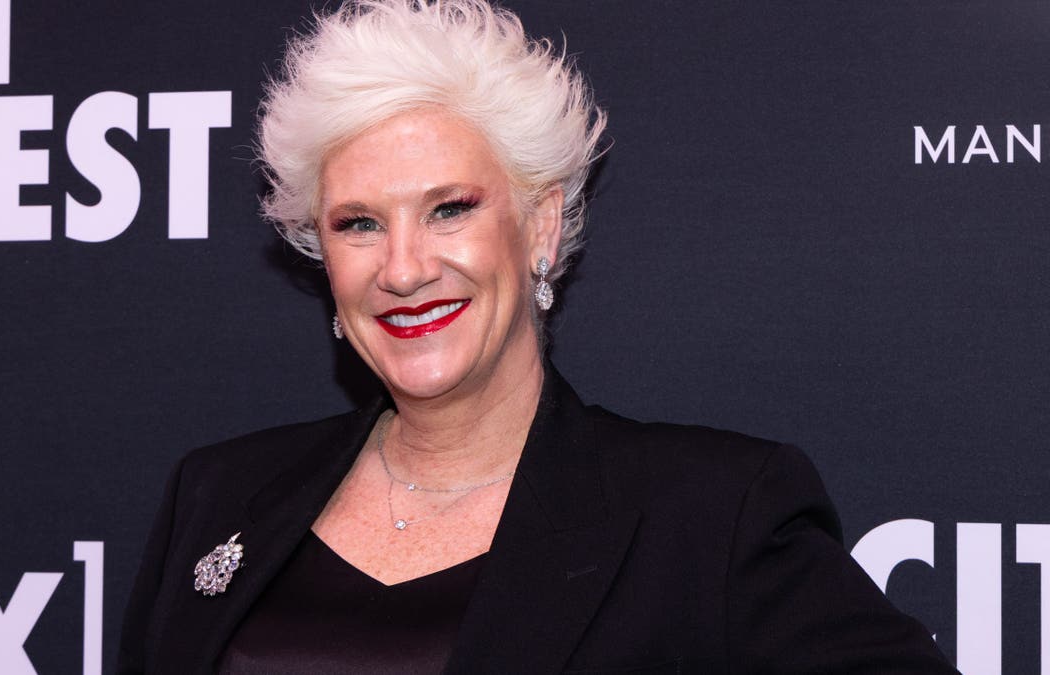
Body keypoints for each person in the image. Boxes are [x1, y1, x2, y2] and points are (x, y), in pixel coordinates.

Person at [119, 1, 959, 673]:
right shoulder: (217, 495)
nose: (403, 269)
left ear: (541, 226)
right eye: (359, 223)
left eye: (450, 209)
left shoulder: (712, 516)